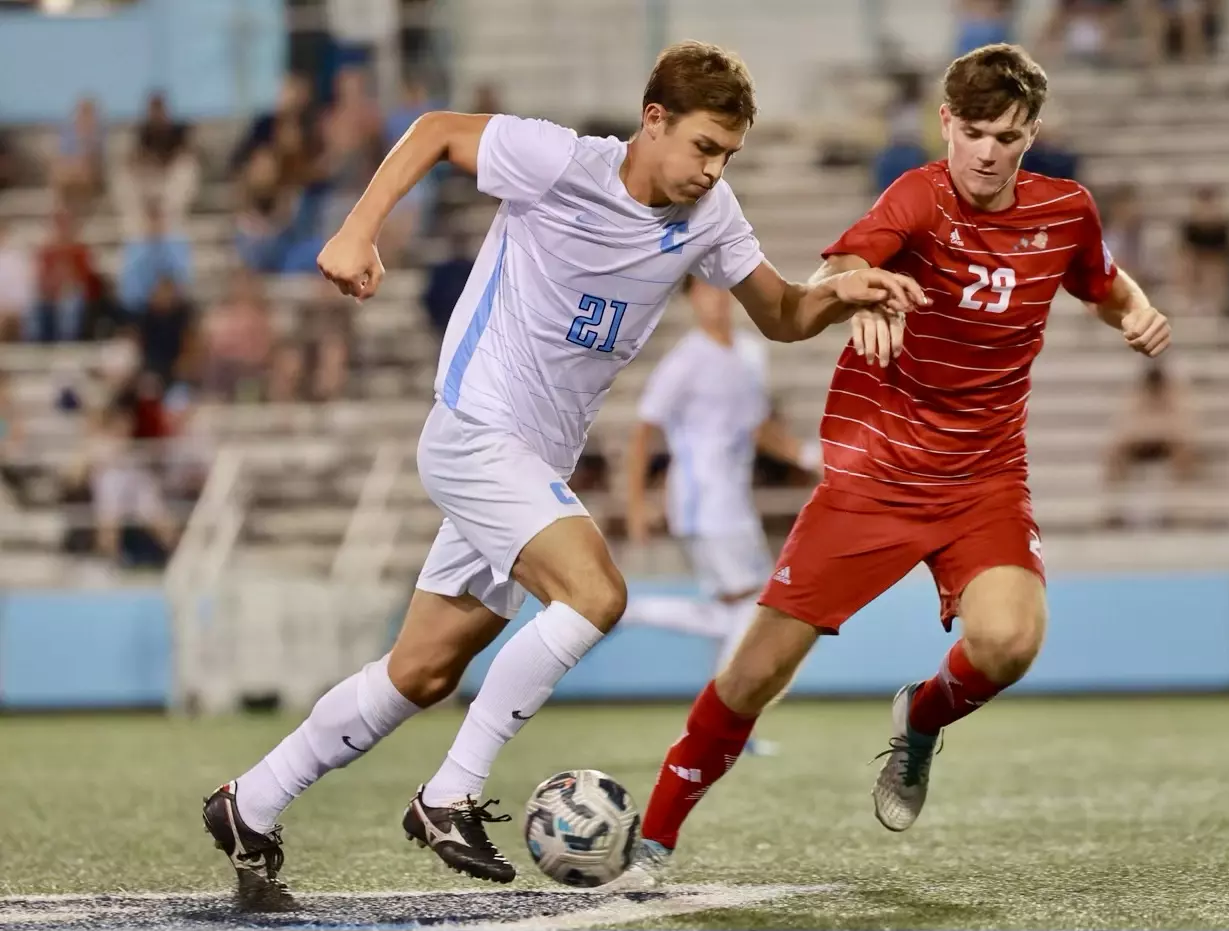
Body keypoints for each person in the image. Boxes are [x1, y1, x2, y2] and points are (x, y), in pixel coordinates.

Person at [199, 40, 924, 912]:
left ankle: (251, 802)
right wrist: (358, 229)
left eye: (727, 154)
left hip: (527, 462)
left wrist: (846, 293)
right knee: (595, 594)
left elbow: (779, 314)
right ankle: (448, 794)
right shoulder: (559, 161)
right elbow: (433, 131)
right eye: (702, 146)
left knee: (424, 670)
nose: (712, 169)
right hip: (474, 429)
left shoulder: (712, 214)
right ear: (652, 120)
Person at [609, 42, 1172, 890]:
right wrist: (858, 289)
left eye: (1008, 137)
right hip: (873, 476)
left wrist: (1134, 309)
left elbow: (1098, 280)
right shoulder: (916, 195)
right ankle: (652, 838)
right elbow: (841, 260)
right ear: (945, 122)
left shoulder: (1065, 210)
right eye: (974, 131)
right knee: (755, 668)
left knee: (1011, 641)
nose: (987, 152)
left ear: (1030, 135)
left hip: (983, 478)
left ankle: (920, 715)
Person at [621, 276, 820, 751]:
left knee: (734, 612)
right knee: (756, 607)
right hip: (700, 501)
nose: (715, 301)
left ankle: (631, 613)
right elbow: (643, 432)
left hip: (734, 501)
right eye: (704, 292)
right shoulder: (684, 361)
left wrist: (805, 456)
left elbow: (756, 426)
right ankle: (722, 729)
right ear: (692, 300)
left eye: (720, 290)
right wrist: (635, 504)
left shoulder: (751, 352)